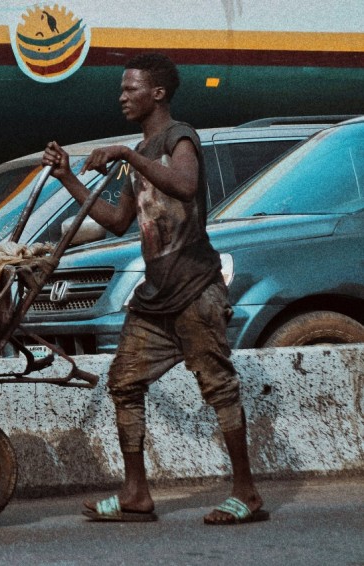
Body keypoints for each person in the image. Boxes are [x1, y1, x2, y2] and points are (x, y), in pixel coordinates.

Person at [42, 52, 268, 525]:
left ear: (158, 93)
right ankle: (136, 494)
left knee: (218, 388)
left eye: (131, 88)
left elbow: (185, 186)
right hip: (156, 298)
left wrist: (127, 155)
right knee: (124, 382)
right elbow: (116, 220)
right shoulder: (142, 152)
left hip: (195, 289)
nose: (122, 96)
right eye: (122, 89)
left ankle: (246, 494)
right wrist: (66, 177)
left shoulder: (179, 137)